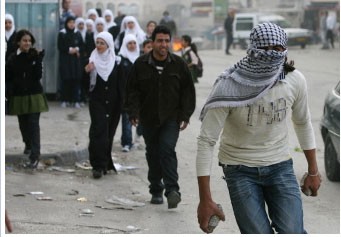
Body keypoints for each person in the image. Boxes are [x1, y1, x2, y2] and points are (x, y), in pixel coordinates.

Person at [196, 22, 321, 234]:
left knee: (293, 231)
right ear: (253, 50)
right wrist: (205, 199)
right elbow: (206, 141)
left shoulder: (294, 80)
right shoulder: (229, 86)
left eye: (278, 49)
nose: (273, 55)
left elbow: (302, 122)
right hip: (239, 170)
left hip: (280, 166)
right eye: (267, 49)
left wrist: (313, 170)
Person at [124, 25, 196, 208]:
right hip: (148, 118)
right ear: (152, 42)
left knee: (167, 150)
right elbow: (132, 91)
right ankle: (156, 189)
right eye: (159, 41)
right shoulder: (140, 65)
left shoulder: (178, 65)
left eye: (166, 41)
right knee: (153, 153)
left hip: (171, 118)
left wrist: (185, 115)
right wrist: (133, 113)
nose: (163, 44)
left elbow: (188, 92)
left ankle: (172, 190)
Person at [6, 29, 49, 169]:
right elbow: (8, 77)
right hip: (19, 96)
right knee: (23, 125)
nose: (27, 43)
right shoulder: (12, 58)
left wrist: (38, 60)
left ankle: (35, 156)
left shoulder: (34, 56)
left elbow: (38, 76)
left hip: (34, 96)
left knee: (33, 125)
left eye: (29, 41)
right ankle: (28, 145)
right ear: (18, 42)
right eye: (24, 40)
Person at [85, 31, 122, 179]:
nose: (99, 45)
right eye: (97, 42)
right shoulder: (91, 61)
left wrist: (123, 104)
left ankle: (106, 162)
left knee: (109, 134)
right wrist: (86, 73)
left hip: (114, 104)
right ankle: (97, 166)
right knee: (98, 132)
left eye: (102, 43)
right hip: (97, 102)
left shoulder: (117, 62)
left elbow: (121, 85)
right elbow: (85, 86)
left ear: (109, 45)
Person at [117, 34, 140, 152]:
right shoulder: (121, 59)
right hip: (125, 95)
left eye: (134, 43)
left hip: (138, 95)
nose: (132, 45)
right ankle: (127, 142)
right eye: (129, 43)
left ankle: (136, 139)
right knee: (127, 119)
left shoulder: (140, 59)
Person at [57, 16, 83, 108]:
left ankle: (76, 100)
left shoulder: (77, 33)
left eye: (73, 22)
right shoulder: (62, 33)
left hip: (75, 61)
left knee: (76, 80)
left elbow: (81, 45)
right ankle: (65, 99)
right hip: (65, 60)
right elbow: (60, 46)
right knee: (66, 80)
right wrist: (69, 49)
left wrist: (77, 49)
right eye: (70, 22)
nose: (71, 24)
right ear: (66, 24)